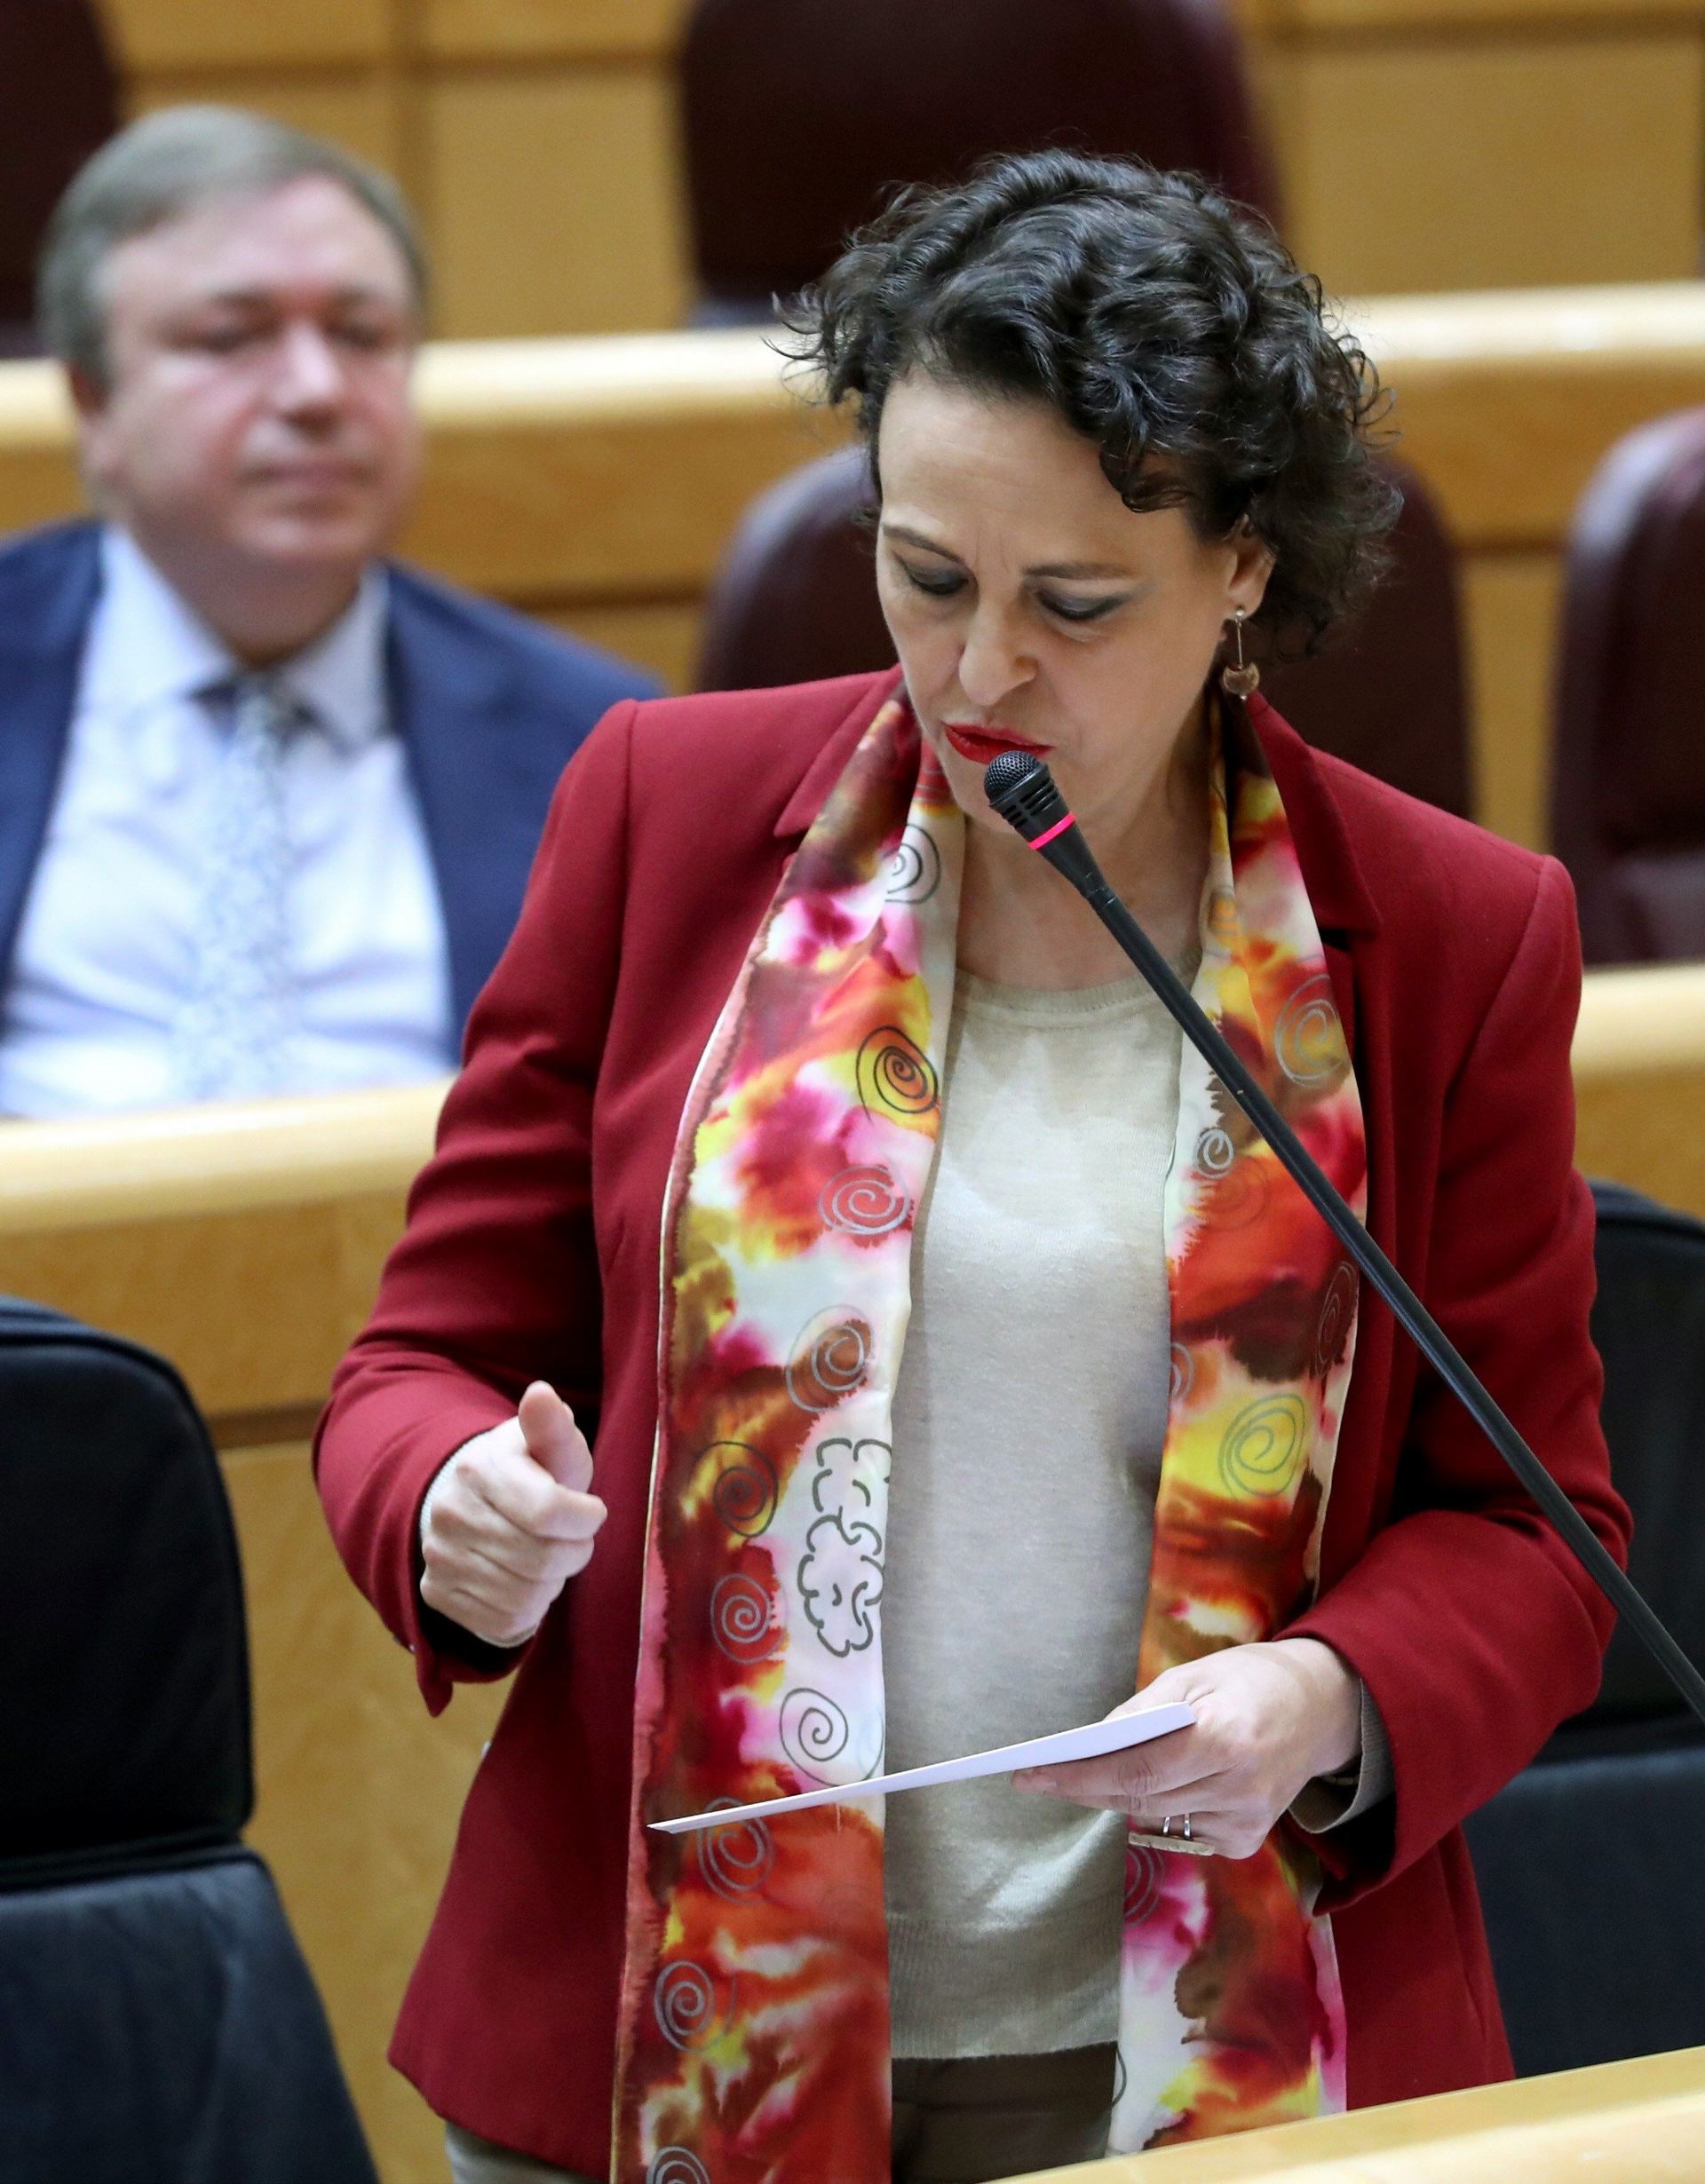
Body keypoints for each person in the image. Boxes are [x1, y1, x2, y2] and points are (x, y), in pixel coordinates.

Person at [314, 153, 1629, 2184]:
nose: (977, 673)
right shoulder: (662, 820)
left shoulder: (1448, 937)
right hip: (665, 2034)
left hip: (1191, 2056)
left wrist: (1327, 1691)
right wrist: (452, 1503)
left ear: (1245, 569)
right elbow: (418, 1366)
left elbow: (1533, 1528)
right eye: (925, 575)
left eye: (1073, 606)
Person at [0, 105, 656, 1120]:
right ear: (93, 404)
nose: (315, 390)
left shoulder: (592, 743)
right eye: (231, 337)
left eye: (361, 336)